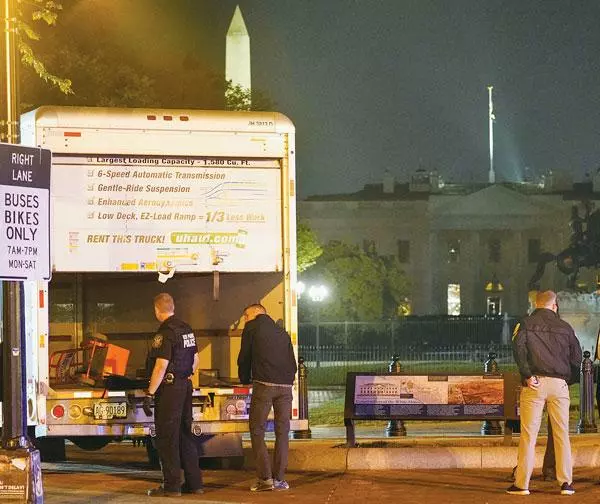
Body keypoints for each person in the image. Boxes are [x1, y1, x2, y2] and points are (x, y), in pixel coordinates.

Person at [507, 290, 582, 496]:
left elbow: (518, 348)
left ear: (536, 304)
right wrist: (568, 380)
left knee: (528, 436)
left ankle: (522, 484)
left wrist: (527, 374)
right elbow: (576, 359)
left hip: (535, 383)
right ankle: (566, 483)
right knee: (561, 435)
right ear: (554, 305)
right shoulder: (565, 327)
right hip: (559, 384)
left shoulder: (526, 323)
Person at [145, 293, 204, 497]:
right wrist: (186, 377)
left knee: (167, 437)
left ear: (156, 309)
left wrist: (150, 393)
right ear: (173, 307)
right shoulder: (186, 329)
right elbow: (196, 360)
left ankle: (171, 486)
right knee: (185, 434)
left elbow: (161, 365)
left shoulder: (165, 333)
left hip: (169, 389)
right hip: (185, 385)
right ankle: (195, 484)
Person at [237, 304, 297, 492]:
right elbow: (293, 364)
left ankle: (265, 479)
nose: (244, 320)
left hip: (264, 385)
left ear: (253, 314)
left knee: (257, 430)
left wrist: (244, 379)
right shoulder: (282, 332)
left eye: (245, 316)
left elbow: (244, 357)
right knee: (282, 432)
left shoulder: (251, 328)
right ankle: (280, 480)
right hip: (286, 387)